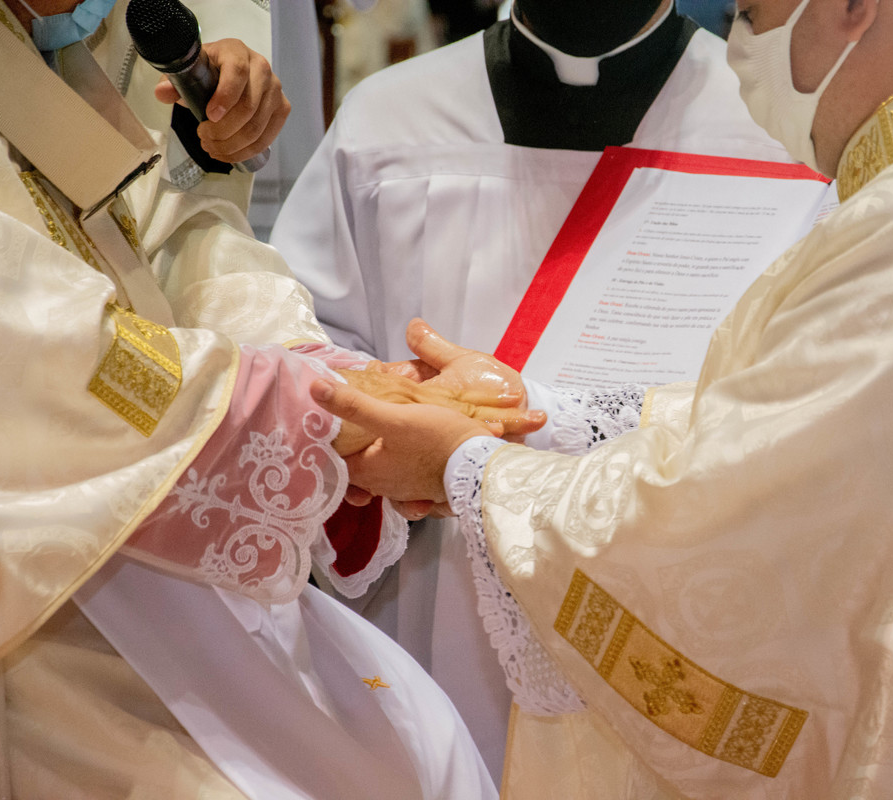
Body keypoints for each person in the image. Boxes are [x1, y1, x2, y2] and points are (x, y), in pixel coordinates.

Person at [312, 0, 893, 796]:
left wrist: (470, 470)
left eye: (753, 12)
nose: (741, 44)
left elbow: (749, 514)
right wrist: (547, 418)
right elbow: (801, 421)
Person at [0, 1, 532, 797]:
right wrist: (322, 414)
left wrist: (327, 380)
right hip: (3, 569)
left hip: (143, 509)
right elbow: (6, 342)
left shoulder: (97, 33)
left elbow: (164, 239)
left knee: (420, 747)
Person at [271, 0, 791, 777]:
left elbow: (788, 409)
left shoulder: (770, 120)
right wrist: (386, 433)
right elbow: (301, 351)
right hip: (431, 616)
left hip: (663, 629)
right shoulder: (389, 122)